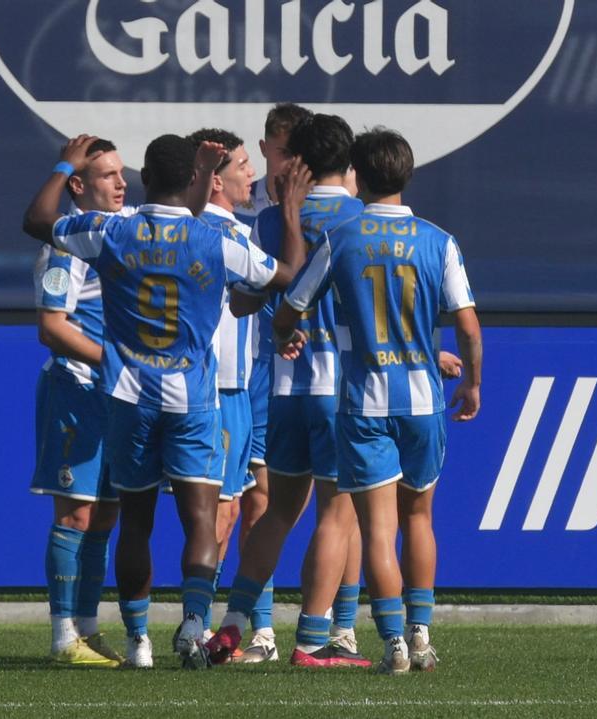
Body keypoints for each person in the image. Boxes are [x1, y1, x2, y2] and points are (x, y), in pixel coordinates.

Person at [23, 133, 311, 669]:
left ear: (142, 181)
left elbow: (38, 219)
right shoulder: (213, 239)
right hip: (192, 398)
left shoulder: (113, 231)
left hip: (129, 395)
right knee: (203, 521)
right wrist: (289, 213)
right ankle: (194, 626)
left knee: (134, 521)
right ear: (195, 182)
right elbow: (288, 276)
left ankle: (138, 644)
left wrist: (64, 165)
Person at [272, 128, 482, 674]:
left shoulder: (342, 237)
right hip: (422, 401)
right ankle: (420, 633)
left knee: (377, 530)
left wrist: (284, 334)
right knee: (420, 518)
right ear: (406, 174)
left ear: (357, 177)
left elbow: (292, 303)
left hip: (363, 403)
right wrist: (473, 382)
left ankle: (391, 644)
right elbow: (467, 325)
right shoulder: (438, 240)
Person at [209, 114, 370, 668]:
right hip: (343, 387)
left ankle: (233, 622)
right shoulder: (366, 218)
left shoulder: (271, 219)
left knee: (278, 511)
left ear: (296, 157)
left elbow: (242, 300)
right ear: (348, 162)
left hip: (284, 388)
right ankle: (314, 637)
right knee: (337, 513)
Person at [30, 138, 131, 668]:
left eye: (122, 173)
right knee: (76, 515)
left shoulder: (120, 230)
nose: (120, 183)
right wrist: (111, 360)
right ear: (77, 186)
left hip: (114, 395)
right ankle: (63, 638)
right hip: (77, 390)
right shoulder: (63, 247)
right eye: (107, 175)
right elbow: (50, 328)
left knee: (107, 517)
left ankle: (88, 633)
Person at [231, 103, 314, 661]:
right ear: (266, 149)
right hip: (255, 369)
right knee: (253, 499)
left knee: (336, 504)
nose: (288, 165)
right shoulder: (247, 205)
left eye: (297, 155)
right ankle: (252, 626)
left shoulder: (331, 202)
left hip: (310, 371)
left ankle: (336, 623)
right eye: (282, 152)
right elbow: (247, 289)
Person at [184, 128, 258, 640]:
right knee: (221, 512)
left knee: (240, 507)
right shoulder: (213, 234)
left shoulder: (238, 232)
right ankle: (197, 624)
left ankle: (227, 624)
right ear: (215, 181)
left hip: (236, 386)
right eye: (242, 167)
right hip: (217, 388)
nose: (251, 175)